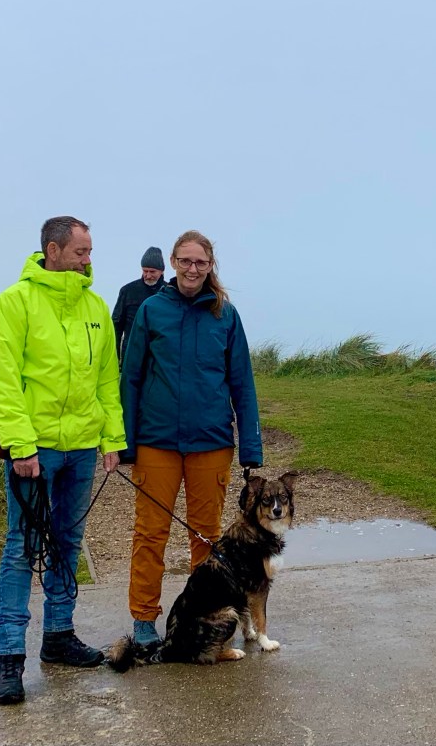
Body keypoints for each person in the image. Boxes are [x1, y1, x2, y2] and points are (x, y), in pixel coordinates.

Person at [0, 215, 126, 706]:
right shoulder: (14, 302)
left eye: (90, 252)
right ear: (53, 249)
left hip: (84, 448)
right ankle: (9, 660)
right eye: (81, 252)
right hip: (35, 451)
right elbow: (2, 380)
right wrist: (21, 447)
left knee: (69, 541)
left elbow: (108, 379)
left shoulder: (95, 307)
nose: (89, 261)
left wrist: (113, 439)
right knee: (21, 547)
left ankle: (59, 636)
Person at [119, 229, 263, 647]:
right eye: (185, 261)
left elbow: (243, 385)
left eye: (200, 262)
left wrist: (250, 449)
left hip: (212, 443)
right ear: (173, 263)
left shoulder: (226, 315)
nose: (192, 269)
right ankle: (144, 620)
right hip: (157, 442)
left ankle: (207, 619)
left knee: (206, 536)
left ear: (210, 265)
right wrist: (124, 442)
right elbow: (130, 378)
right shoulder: (151, 310)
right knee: (150, 532)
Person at [111, 247, 166, 361]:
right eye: (145, 271)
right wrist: (114, 359)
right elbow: (116, 327)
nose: (148, 275)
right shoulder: (127, 291)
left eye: (152, 271)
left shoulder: (170, 293)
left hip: (160, 358)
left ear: (161, 271)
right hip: (131, 356)